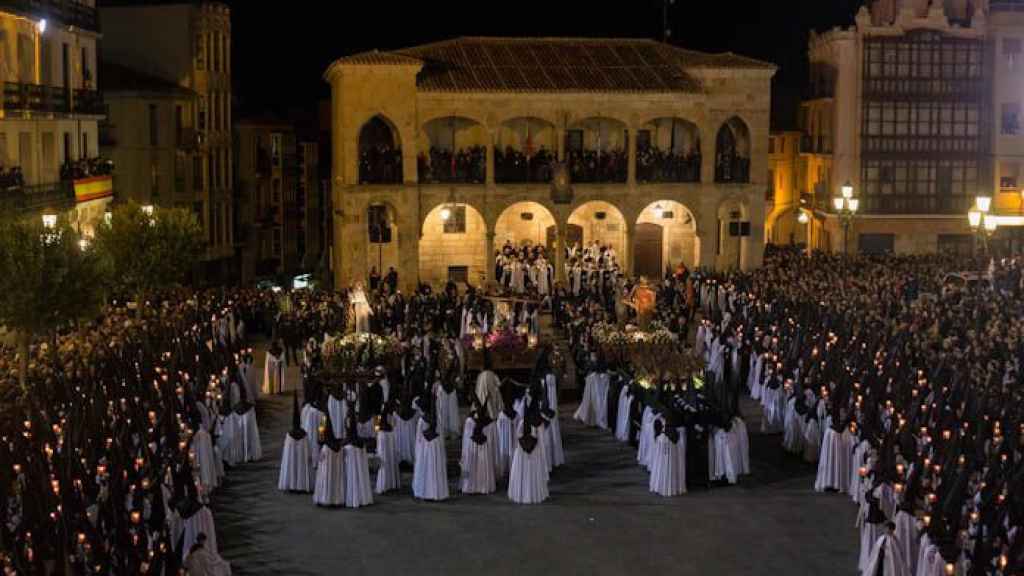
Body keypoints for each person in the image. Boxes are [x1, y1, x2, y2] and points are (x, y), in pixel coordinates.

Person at [278, 390, 312, 493]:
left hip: (294, 437)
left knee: (292, 461)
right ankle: (300, 483)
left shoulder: (289, 435)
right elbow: (308, 456)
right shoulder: (303, 435)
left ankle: (293, 483)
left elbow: (287, 460)